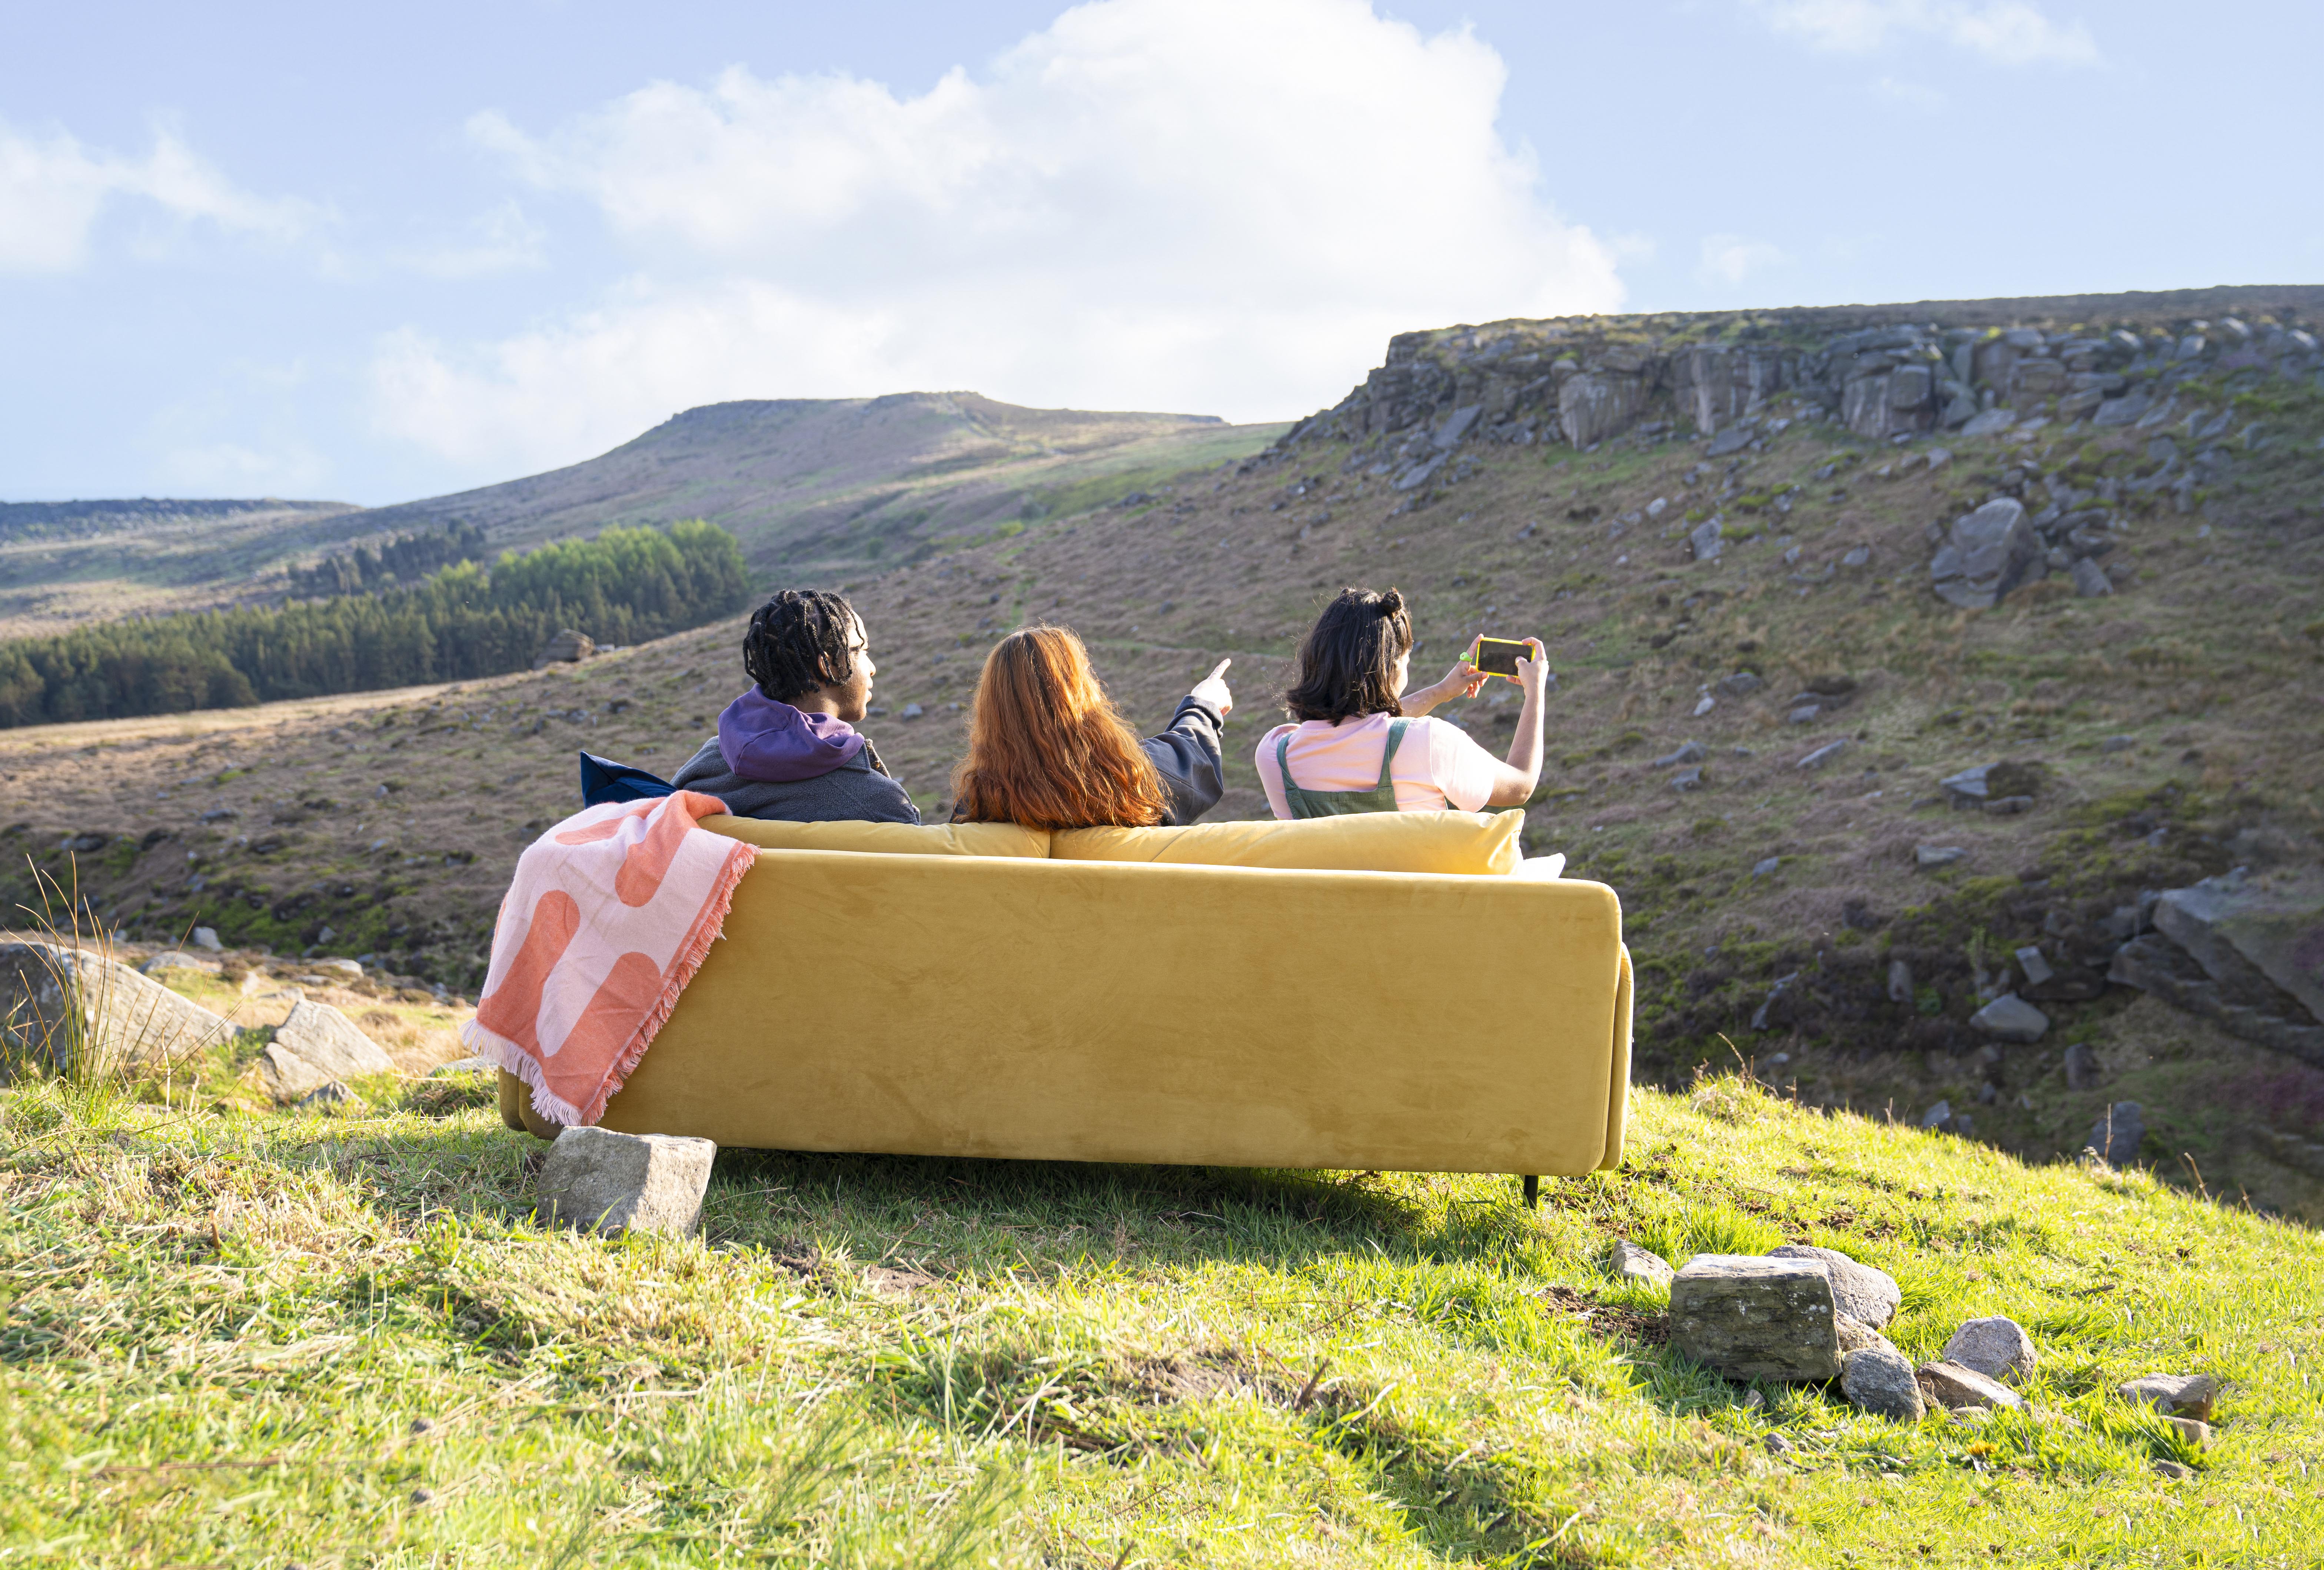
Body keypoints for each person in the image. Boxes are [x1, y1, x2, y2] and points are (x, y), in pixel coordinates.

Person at [1257, 586, 1553, 832]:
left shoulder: (1274, 755)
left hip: (1329, 903)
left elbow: (1359, 732)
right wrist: (1535, 692)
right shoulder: (1430, 743)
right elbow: (1521, 784)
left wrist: (1441, 691)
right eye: (1406, 659)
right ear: (1391, 667)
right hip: (1418, 902)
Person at [669, 588, 921, 824]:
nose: (872, 667)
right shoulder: (881, 805)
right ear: (827, 665)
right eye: (861, 650)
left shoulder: (701, 771)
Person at [950, 625, 1231, 830]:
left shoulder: (975, 809)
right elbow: (1189, 752)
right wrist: (1203, 704)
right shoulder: (1133, 781)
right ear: (1083, 693)